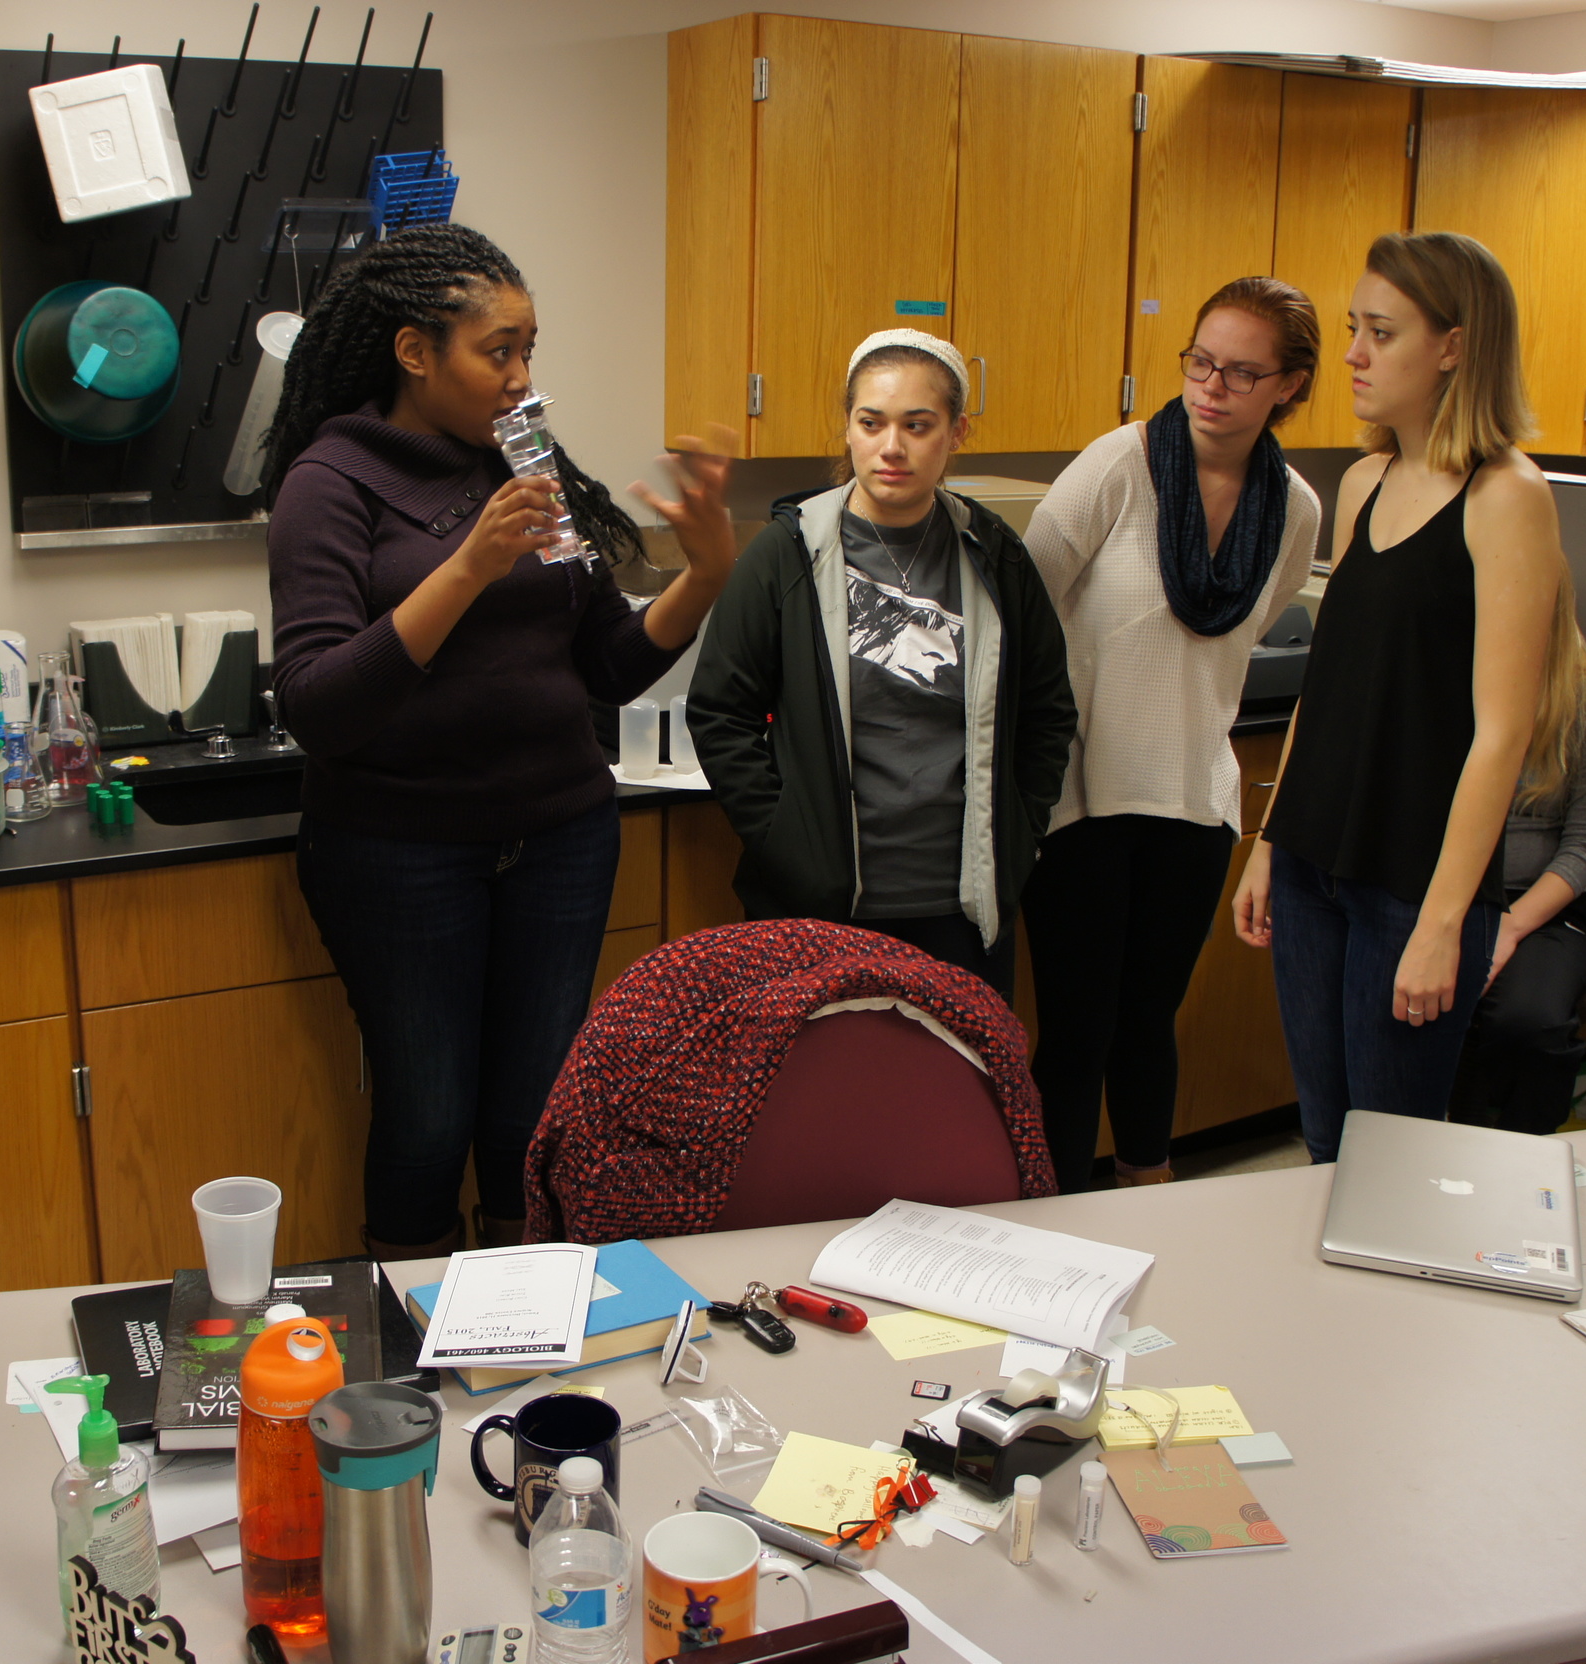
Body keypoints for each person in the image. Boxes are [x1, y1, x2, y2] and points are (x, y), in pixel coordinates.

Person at [258, 223, 737, 1261]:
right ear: (415, 351)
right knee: (428, 1117)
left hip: (561, 836)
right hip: (399, 851)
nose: (523, 378)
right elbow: (318, 704)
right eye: (498, 350)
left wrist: (703, 576)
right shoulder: (329, 482)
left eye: (529, 349)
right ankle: (417, 1324)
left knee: (535, 1114)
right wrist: (468, 566)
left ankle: (526, 1317)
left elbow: (605, 662)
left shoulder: (524, 456)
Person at [1233, 231, 1560, 1164]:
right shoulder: (1364, 481)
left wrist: (1445, 922)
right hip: (1313, 861)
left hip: (1413, 883)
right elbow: (1329, 686)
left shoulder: (1507, 497)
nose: (1353, 354)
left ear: (1453, 346)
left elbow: (1501, 734)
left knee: (1394, 1162)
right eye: (1355, 329)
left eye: (1381, 333)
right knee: (1325, 1142)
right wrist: (1271, 841)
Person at [1023, 278, 1323, 1189]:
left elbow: (1246, 629)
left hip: (1193, 800)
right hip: (1081, 795)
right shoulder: (1118, 466)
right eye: (1201, 361)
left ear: (1290, 386)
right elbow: (1021, 607)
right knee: (1077, 1033)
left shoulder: (1296, 509)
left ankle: (1148, 1206)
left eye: (1242, 373)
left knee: (1149, 1024)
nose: (1211, 387)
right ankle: (1055, 1223)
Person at [689, 330, 1075, 997]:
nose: (891, 447)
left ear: (956, 433)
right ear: (849, 427)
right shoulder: (787, 554)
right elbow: (720, 712)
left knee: (958, 1066)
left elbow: (1048, 710)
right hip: (822, 907)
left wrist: (1019, 834)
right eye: (871, 423)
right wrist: (787, 843)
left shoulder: (996, 555)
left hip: (962, 908)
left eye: (917, 426)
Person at [1454, 577, 1586, 1136]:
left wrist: (1509, 928)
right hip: (1444, 890)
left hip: (1544, 907)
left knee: (1529, 1025)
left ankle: (1515, 1159)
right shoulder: (1441, 685)